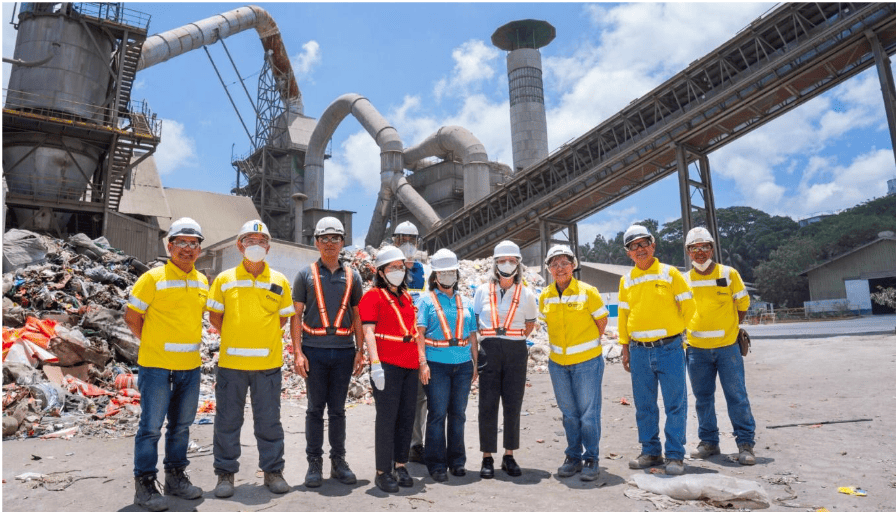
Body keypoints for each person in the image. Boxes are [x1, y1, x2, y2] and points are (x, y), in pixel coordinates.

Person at [207, 220, 295, 498]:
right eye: (249, 240)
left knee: (269, 422)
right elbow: (215, 317)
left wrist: (259, 336)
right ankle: (225, 474)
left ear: (268, 247)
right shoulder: (224, 279)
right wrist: (237, 336)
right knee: (227, 422)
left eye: (260, 241)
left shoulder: (279, 281)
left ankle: (273, 471)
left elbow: (282, 318)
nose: (255, 246)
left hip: (268, 366)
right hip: (232, 366)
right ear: (239, 245)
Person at [125, 217, 207, 511]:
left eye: (193, 243)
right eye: (181, 242)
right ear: (169, 245)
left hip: (190, 367)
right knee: (150, 427)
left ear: (199, 248)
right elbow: (132, 317)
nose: (187, 248)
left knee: (181, 427)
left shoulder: (202, 281)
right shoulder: (152, 278)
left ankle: (175, 478)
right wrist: (153, 344)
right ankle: (145, 486)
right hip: (156, 366)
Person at [290, 217, 364, 488]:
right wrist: (298, 353)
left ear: (343, 242)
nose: (330, 243)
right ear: (316, 243)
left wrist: (360, 350)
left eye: (335, 238)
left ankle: (338, 461)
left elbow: (357, 315)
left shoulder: (352, 276)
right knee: (314, 409)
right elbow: (296, 317)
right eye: (325, 238)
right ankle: (314, 463)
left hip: (344, 353)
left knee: (338, 411)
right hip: (314, 352)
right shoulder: (304, 275)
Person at [618, 225, 695, 476]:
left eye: (643, 244)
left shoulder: (670, 273)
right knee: (644, 405)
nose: (639, 249)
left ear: (653, 245)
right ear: (628, 253)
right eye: (633, 246)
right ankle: (650, 451)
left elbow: (689, 308)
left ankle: (674, 455)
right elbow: (623, 314)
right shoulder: (626, 280)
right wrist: (624, 346)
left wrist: (679, 333)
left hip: (669, 348)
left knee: (675, 404)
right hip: (639, 350)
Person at [682, 227, 756, 465]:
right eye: (694, 248)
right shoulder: (684, 280)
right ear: (688, 252)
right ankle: (709, 442)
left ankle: (745, 444)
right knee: (703, 398)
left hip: (727, 348)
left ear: (712, 249)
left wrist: (731, 327)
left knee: (737, 396)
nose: (700, 252)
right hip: (695, 350)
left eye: (704, 247)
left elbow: (742, 304)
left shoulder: (729, 273)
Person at [359, 245, 428, 493]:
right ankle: (382, 471)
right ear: (381, 272)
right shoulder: (372, 296)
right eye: (392, 267)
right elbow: (368, 331)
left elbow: (413, 332)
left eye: (400, 267)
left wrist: (421, 362)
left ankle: (400, 465)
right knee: (387, 419)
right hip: (387, 364)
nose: (397, 271)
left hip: (409, 364)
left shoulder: (407, 297)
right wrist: (375, 363)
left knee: (407, 418)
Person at [538, 245, 610, 481]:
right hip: (558, 363)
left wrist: (585, 346)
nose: (560, 268)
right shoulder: (545, 295)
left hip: (587, 362)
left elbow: (601, 323)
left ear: (574, 265)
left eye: (564, 263)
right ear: (549, 269)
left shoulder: (588, 291)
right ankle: (573, 457)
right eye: (554, 264)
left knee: (588, 414)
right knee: (569, 413)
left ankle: (591, 458)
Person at [473, 240, 537, 479]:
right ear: (495, 264)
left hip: (515, 351)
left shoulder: (527, 293)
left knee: (513, 404)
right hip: (489, 349)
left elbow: (530, 324)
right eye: (502, 260)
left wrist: (511, 337)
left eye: (511, 260)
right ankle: (487, 457)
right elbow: (476, 320)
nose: (507, 264)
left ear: (518, 264)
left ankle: (509, 455)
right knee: (487, 405)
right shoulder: (481, 291)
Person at [416, 248, 478, 482]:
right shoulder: (426, 300)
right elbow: (419, 334)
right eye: (442, 273)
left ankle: (457, 461)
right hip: (437, 365)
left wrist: (473, 363)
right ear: (435, 276)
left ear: (457, 274)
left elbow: (472, 336)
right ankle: (436, 463)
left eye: (451, 272)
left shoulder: (466, 302)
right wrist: (423, 363)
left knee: (458, 414)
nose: (447, 276)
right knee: (437, 414)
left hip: (462, 366)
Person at [393, 220, 428, 464]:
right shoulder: (386, 269)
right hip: (395, 344)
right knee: (394, 398)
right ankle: (396, 443)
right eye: (401, 239)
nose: (407, 244)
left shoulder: (425, 271)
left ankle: (415, 444)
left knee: (419, 400)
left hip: (419, 345)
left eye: (411, 240)